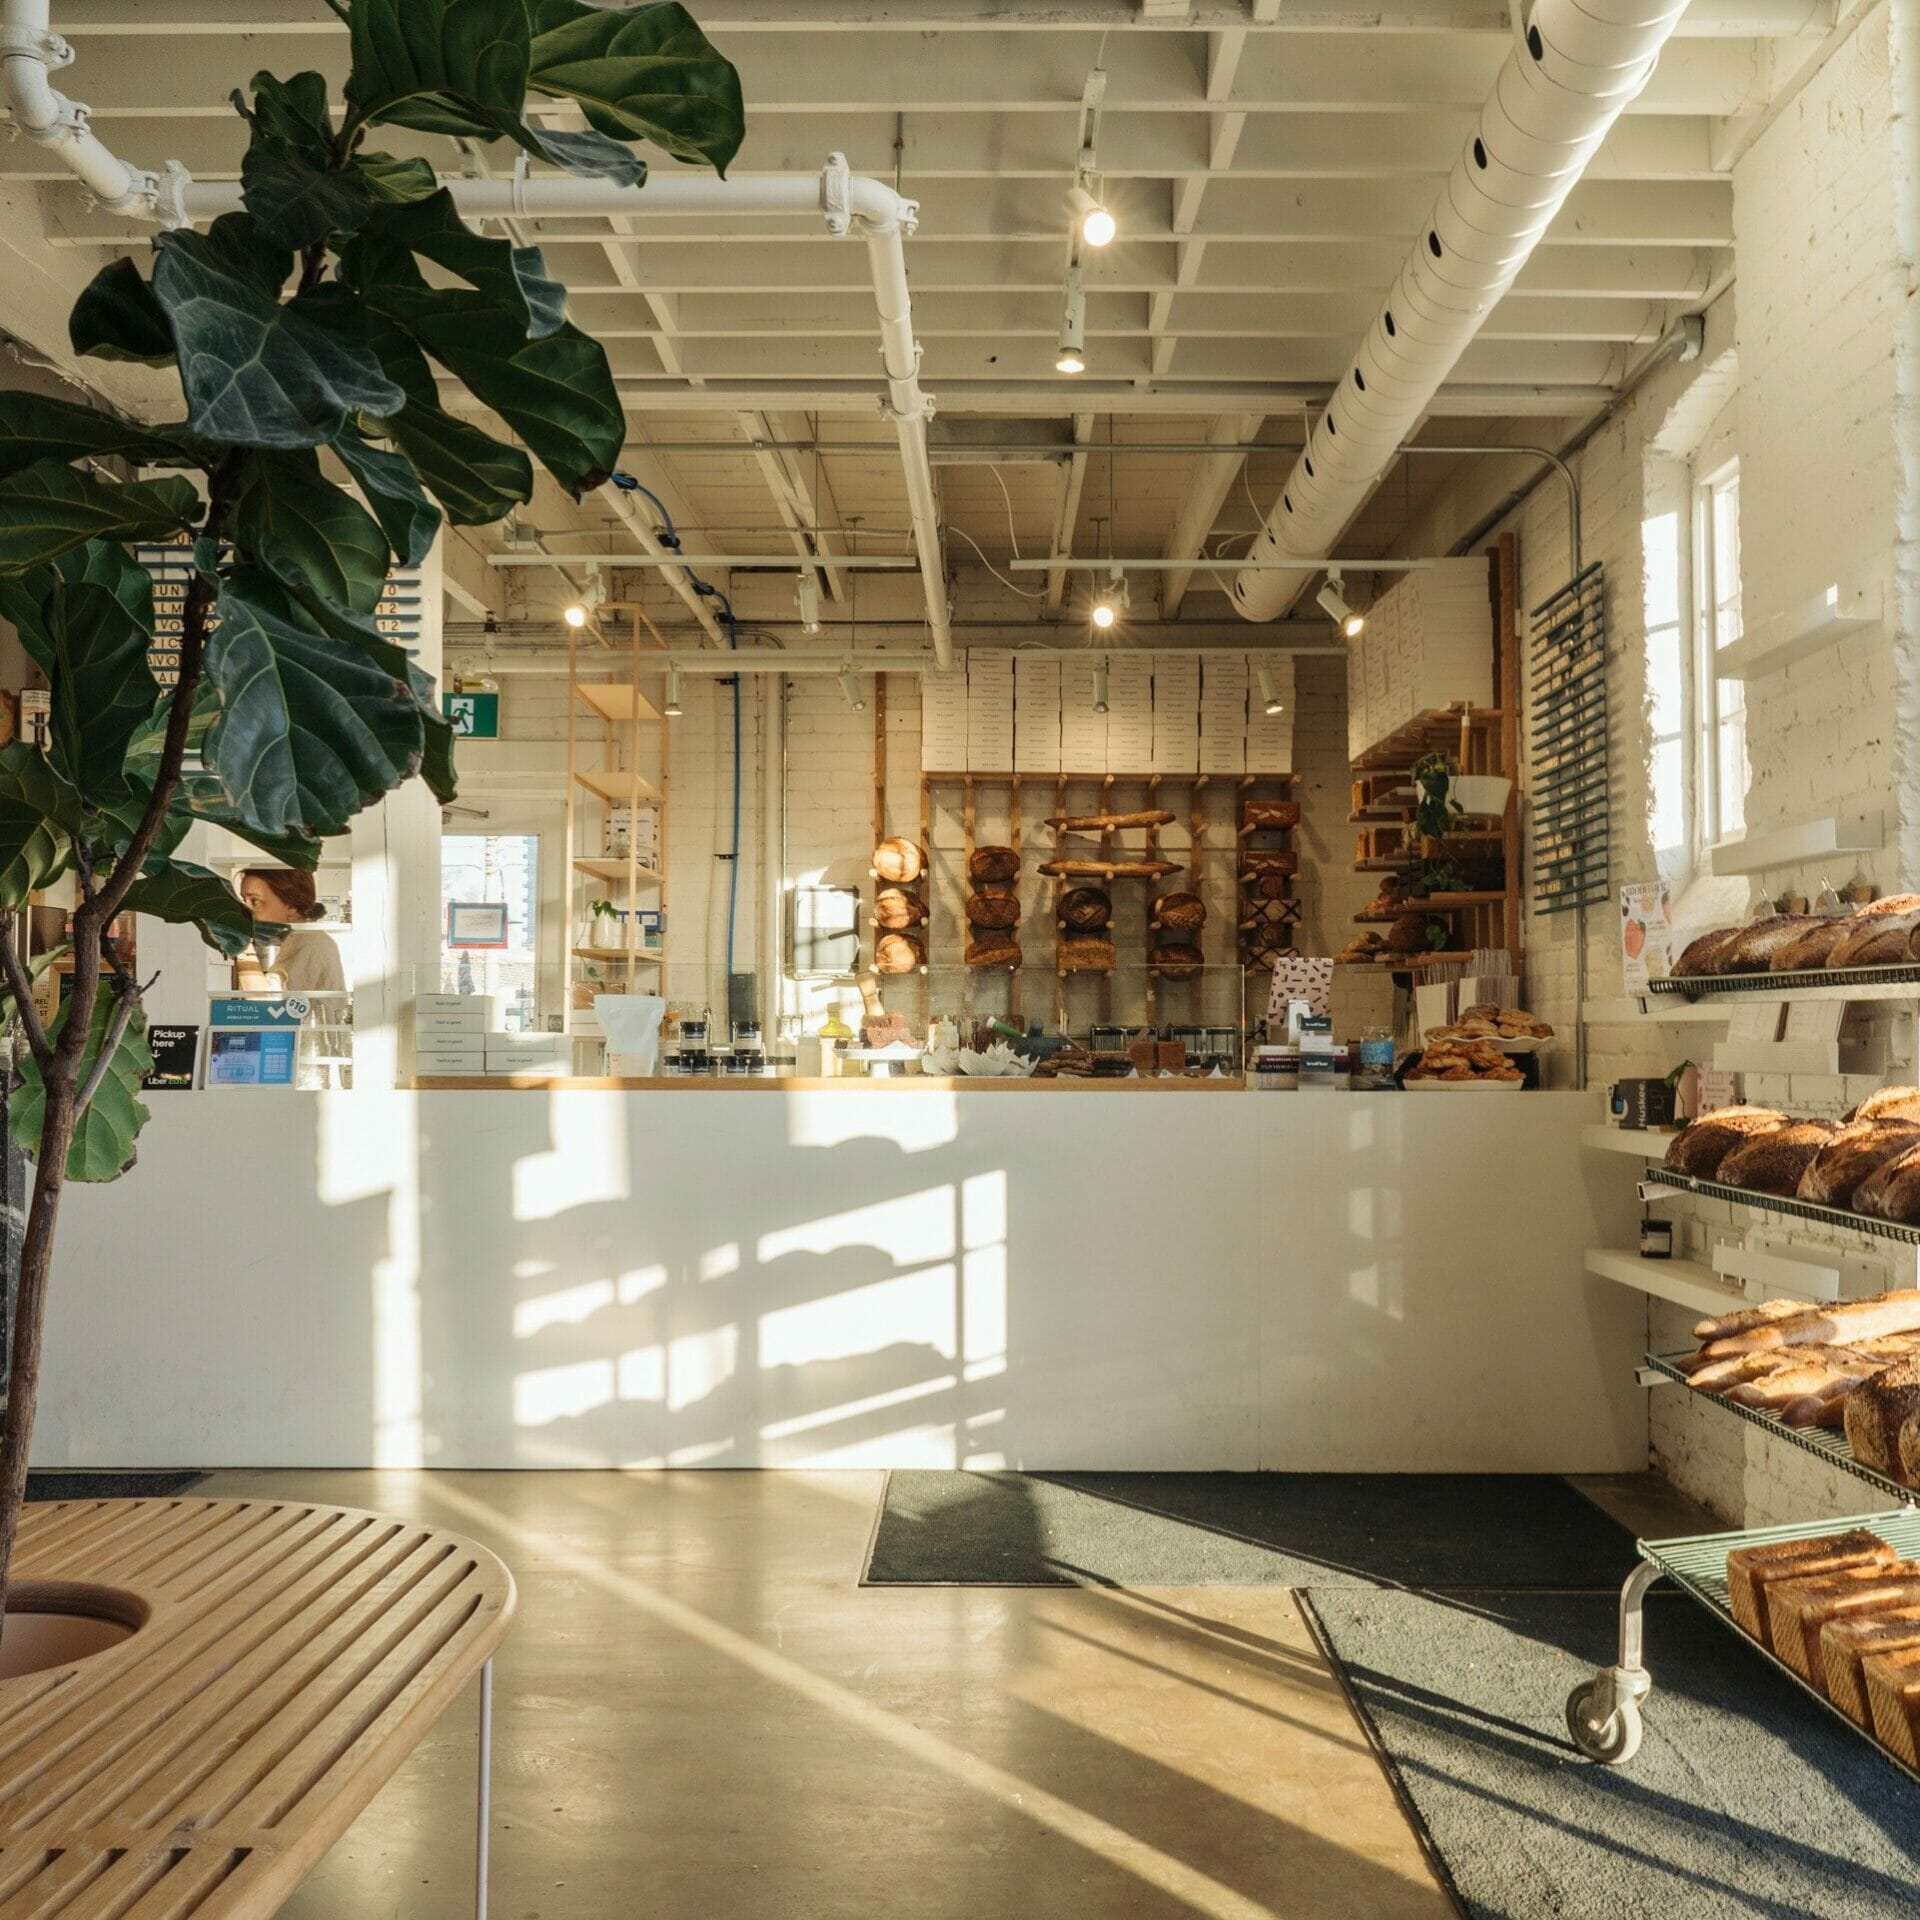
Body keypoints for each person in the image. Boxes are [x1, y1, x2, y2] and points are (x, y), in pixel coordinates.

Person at [236, 868, 346, 996]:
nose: (244, 911)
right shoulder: (285, 940)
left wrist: (238, 943)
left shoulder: (310, 941)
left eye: (255, 901)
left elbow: (264, 1001)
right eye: (244, 901)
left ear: (291, 907)